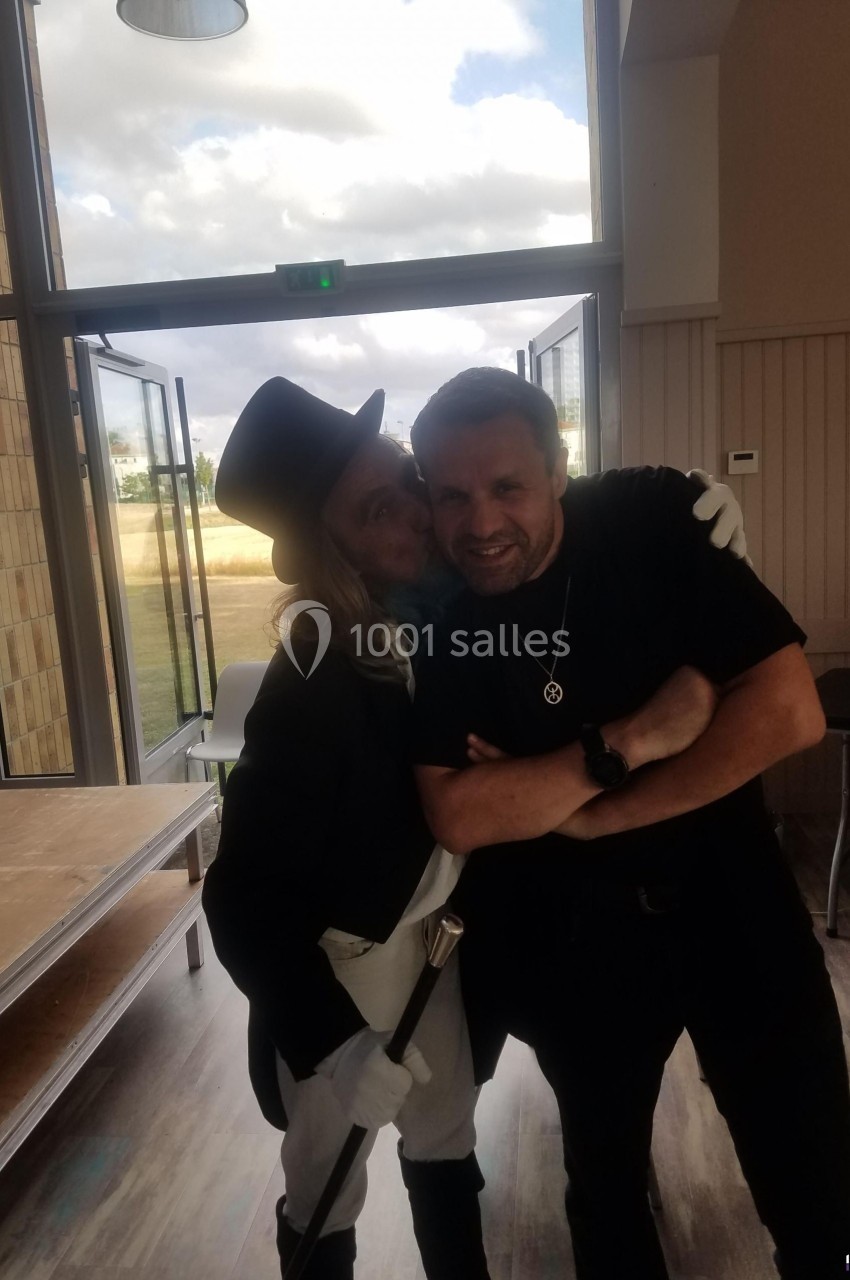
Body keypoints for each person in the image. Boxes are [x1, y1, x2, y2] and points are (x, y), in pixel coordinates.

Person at [200, 373, 751, 1280]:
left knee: (446, 1144)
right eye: (386, 507)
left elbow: (530, 493)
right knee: (326, 1183)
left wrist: (681, 514)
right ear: (333, 552)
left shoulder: (457, 613)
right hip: (340, 963)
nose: (429, 514)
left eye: (411, 483)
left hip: (439, 949)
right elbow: (242, 895)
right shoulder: (311, 691)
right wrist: (332, 1043)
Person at [408, 366, 850, 1280]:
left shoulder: (653, 519)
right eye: (452, 496)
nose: (481, 524)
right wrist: (631, 743)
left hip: (736, 905)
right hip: (576, 942)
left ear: (560, 469)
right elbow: (461, 811)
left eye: (506, 488)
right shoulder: (445, 620)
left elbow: (786, 712)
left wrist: (592, 816)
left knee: (814, 1181)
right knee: (604, 1191)